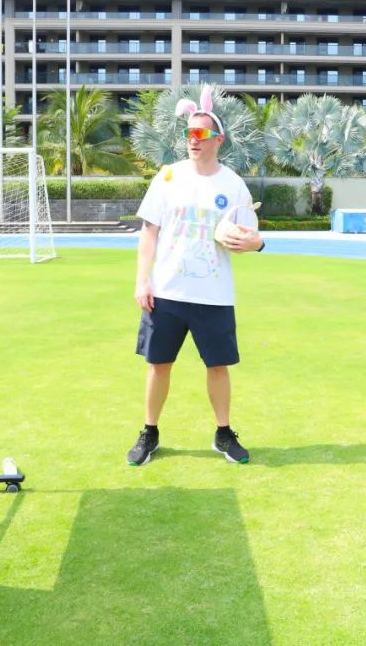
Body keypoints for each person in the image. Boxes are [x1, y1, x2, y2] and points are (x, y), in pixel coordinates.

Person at [127, 86, 264, 466]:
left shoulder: (233, 184)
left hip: (214, 294)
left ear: (218, 139)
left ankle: (223, 434)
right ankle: (149, 432)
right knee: (159, 365)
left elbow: (250, 236)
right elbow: (149, 232)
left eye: (202, 133)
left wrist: (255, 244)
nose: (193, 139)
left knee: (217, 366)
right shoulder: (168, 177)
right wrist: (142, 281)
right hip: (166, 292)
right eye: (189, 132)